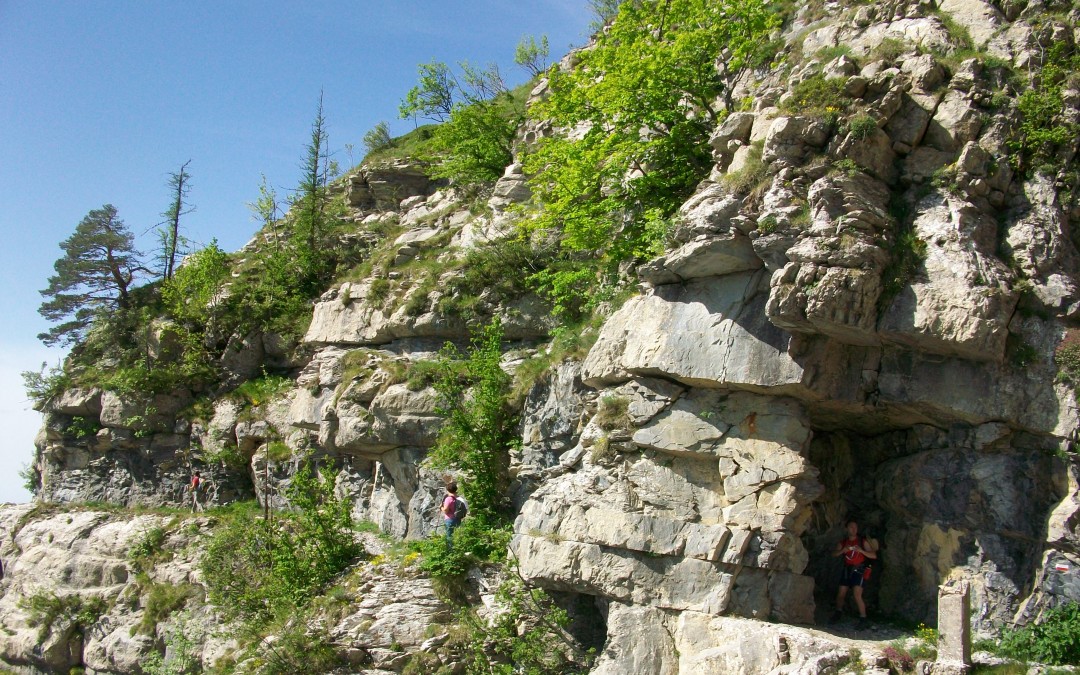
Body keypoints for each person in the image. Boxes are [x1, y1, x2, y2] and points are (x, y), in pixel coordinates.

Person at [831, 519, 877, 628]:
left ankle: (863, 618)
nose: (854, 529)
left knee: (857, 594)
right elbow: (834, 554)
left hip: (859, 569)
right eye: (851, 527)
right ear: (847, 529)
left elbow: (874, 555)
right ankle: (838, 612)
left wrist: (861, 551)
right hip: (847, 569)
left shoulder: (862, 541)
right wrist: (843, 551)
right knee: (841, 593)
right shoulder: (843, 542)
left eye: (855, 527)